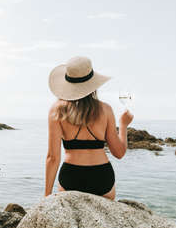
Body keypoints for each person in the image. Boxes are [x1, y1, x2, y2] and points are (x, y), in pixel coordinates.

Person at [45, 56, 134, 200]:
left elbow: (52, 158)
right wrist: (123, 125)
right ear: (92, 82)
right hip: (101, 178)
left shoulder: (57, 110)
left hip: (71, 178)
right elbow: (119, 153)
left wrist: (46, 196)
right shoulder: (105, 109)